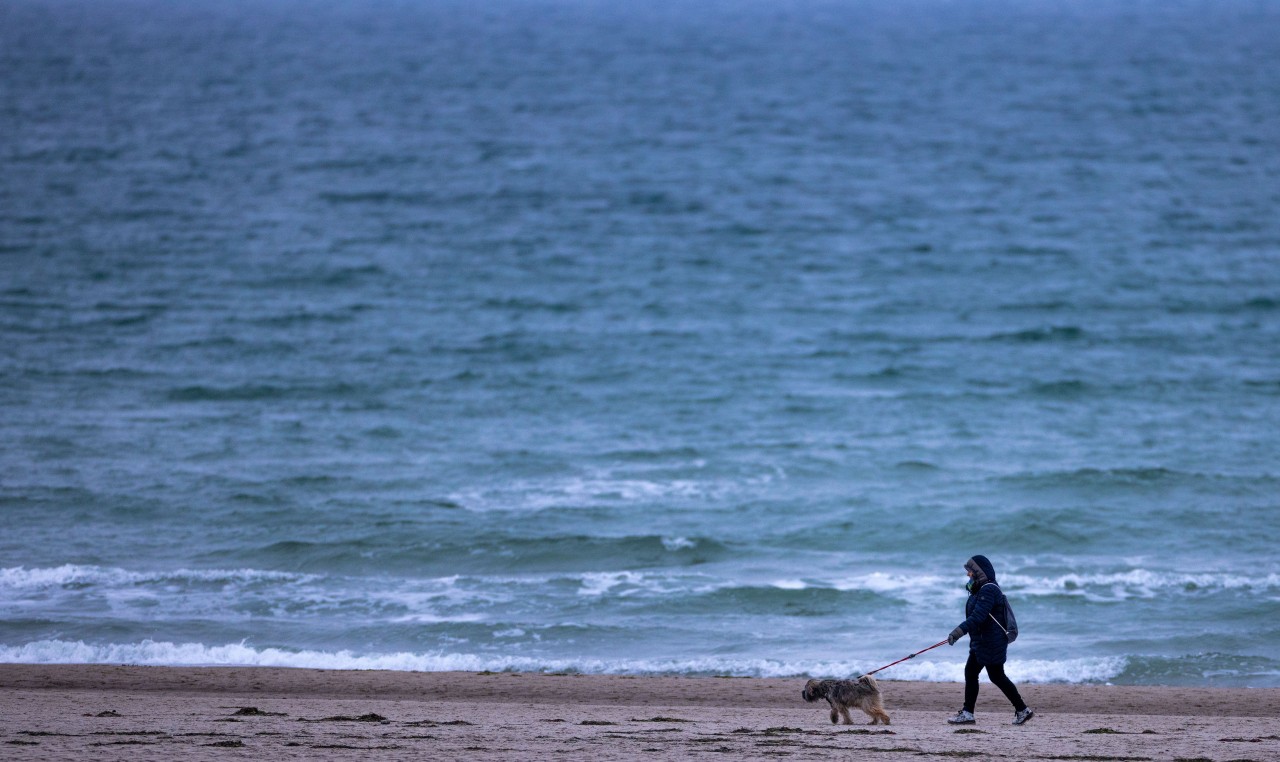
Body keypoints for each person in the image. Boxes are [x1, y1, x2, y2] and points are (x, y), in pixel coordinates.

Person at [945, 555, 1034, 725]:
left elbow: (978, 617)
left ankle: (1022, 709)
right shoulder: (979, 590)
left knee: (996, 675)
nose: (968, 575)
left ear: (979, 572)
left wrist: (957, 633)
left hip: (991, 642)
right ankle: (968, 713)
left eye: (970, 571)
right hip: (981, 641)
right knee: (972, 672)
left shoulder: (989, 589)